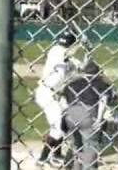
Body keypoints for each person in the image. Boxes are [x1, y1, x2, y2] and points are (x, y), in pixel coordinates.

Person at [62, 61, 118, 170]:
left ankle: (69, 166)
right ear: (98, 74)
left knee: (77, 146)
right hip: (100, 132)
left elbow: (63, 105)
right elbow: (108, 101)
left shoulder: (70, 86)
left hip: (70, 124)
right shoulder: (103, 85)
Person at [34, 30, 82, 167]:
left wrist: (86, 57)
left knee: (66, 121)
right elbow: (66, 55)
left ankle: (56, 154)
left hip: (57, 95)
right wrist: (80, 45)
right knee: (57, 128)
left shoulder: (68, 59)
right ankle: (42, 159)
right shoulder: (56, 51)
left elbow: (78, 67)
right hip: (46, 94)